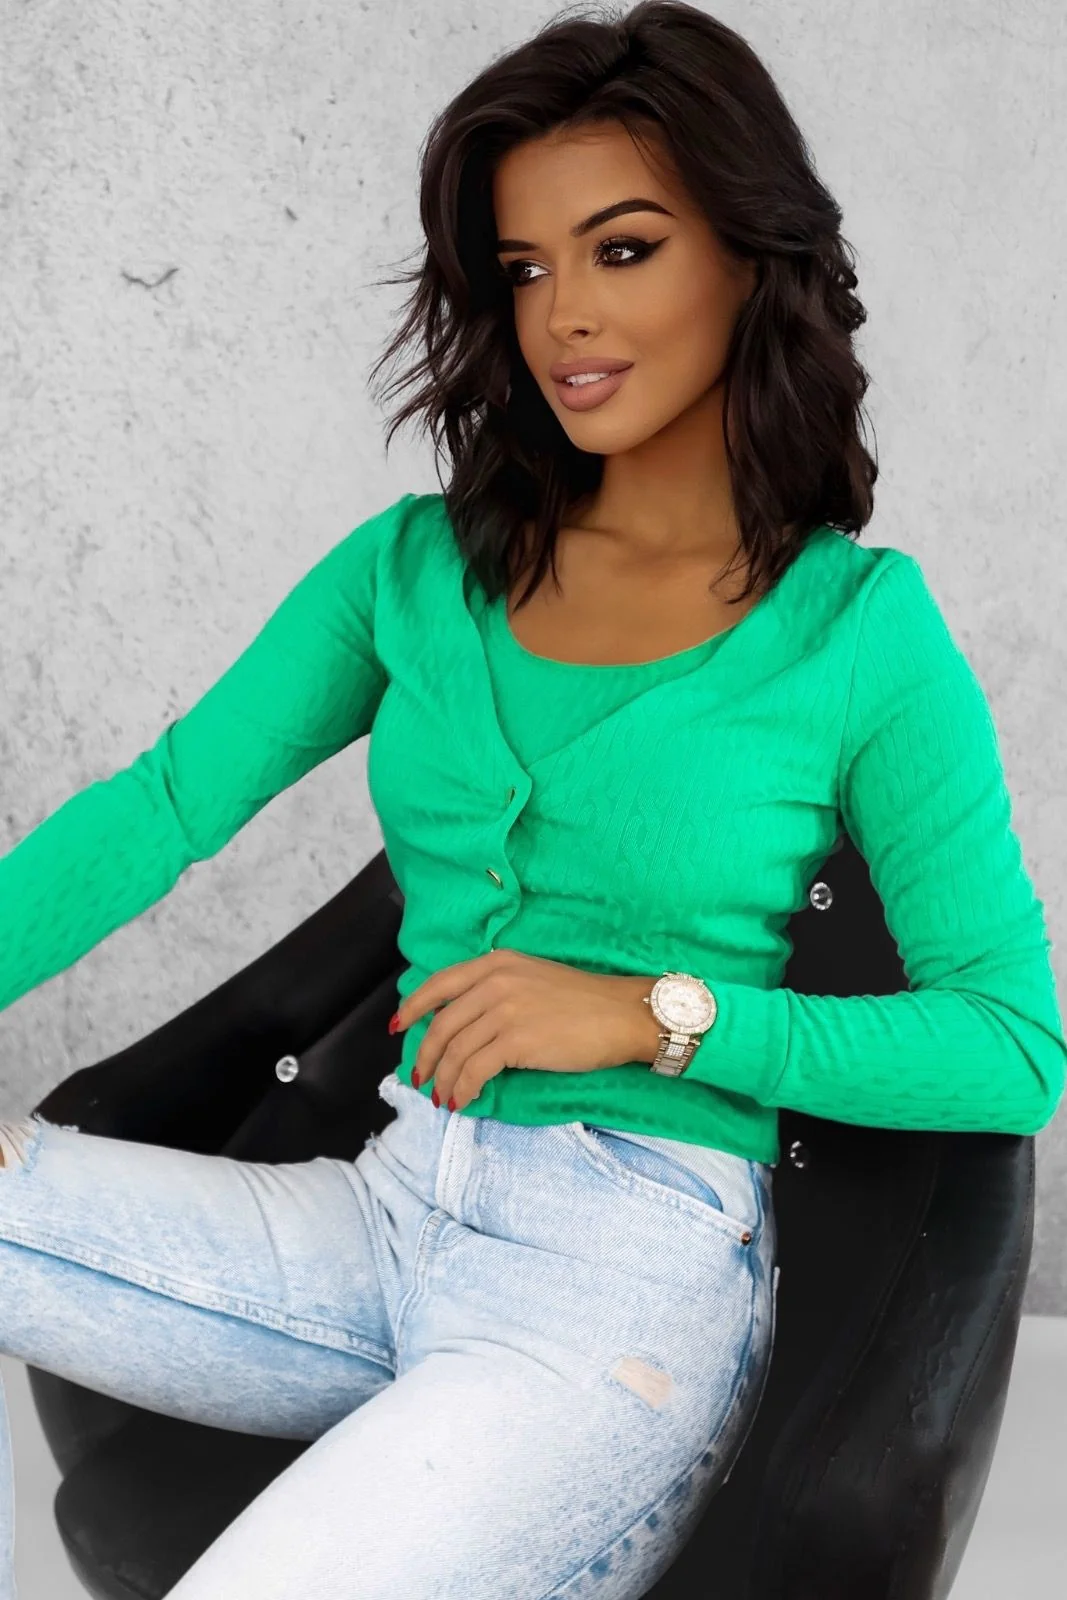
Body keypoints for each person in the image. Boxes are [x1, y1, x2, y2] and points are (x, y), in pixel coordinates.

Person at [0, 3, 1063, 1596]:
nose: (563, 314)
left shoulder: (857, 632)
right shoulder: (411, 570)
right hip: (382, 1217)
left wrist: (653, 1017)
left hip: (617, 1298)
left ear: (746, 258)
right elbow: (161, 808)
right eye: (521, 266)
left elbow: (1010, 1047)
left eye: (621, 249)